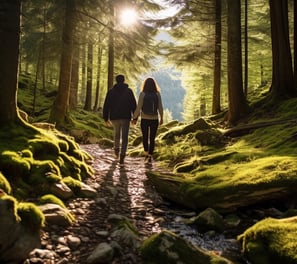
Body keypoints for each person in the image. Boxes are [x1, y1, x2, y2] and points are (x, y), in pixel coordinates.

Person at [103, 74, 137, 164]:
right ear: (124, 80)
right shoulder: (129, 91)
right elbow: (133, 104)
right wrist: (135, 117)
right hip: (126, 117)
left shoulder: (111, 92)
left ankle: (116, 151)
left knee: (116, 134)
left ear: (116, 80)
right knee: (125, 137)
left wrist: (105, 118)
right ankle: (122, 155)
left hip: (114, 117)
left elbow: (106, 105)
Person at [132, 77, 163, 163]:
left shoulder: (142, 94)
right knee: (152, 138)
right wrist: (162, 117)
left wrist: (134, 118)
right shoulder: (157, 94)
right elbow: (160, 107)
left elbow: (138, 108)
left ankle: (146, 153)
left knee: (145, 137)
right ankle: (150, 155)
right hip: (155, 119)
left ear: (144, 85)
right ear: (154, 85)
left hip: (144, 119)